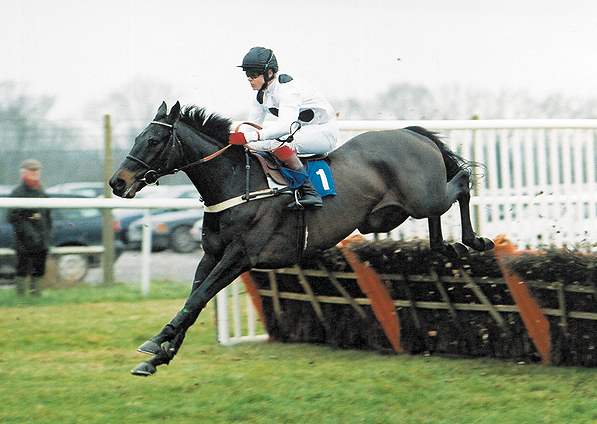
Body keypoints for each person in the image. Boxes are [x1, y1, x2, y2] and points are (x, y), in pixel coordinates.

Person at [230, 46, 339, 209]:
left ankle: (310, 193)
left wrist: (250, 138)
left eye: (253, 74)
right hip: (301, 132)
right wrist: (238, 139)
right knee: (252, 146)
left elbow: (285, 127)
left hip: (323, 132)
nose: (249, 79)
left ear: (269, 73)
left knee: (279, 144)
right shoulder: (260, 94)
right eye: (247, 74)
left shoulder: (288, 89)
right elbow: (251, 128)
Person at [8, 159, 52, 296]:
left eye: (36, 170)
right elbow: (14, 217)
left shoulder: (42, 192)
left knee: (39, 268)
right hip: (24, 240)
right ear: (23, 173)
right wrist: (29, 233)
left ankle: (36, 296)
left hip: (42, 239)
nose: (35, 173)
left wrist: (47, 235)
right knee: (22, 268)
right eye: (31, 171)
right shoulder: (17, 193)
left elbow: (47, 216)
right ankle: (20, 296)